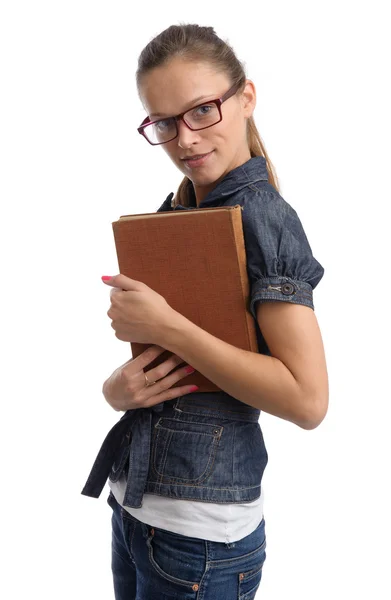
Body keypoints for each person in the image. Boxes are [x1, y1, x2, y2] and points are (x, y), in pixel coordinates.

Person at [81, 23, 328, 600]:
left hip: (202, 541)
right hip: (137, 509)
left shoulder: (264, 219)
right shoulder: (186, 207)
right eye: (164, 121)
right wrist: (120, 389)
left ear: (245, 98)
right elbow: (176, 367)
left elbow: (308, 400)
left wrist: (168, 326)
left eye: (202, 110)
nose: (185, 138)